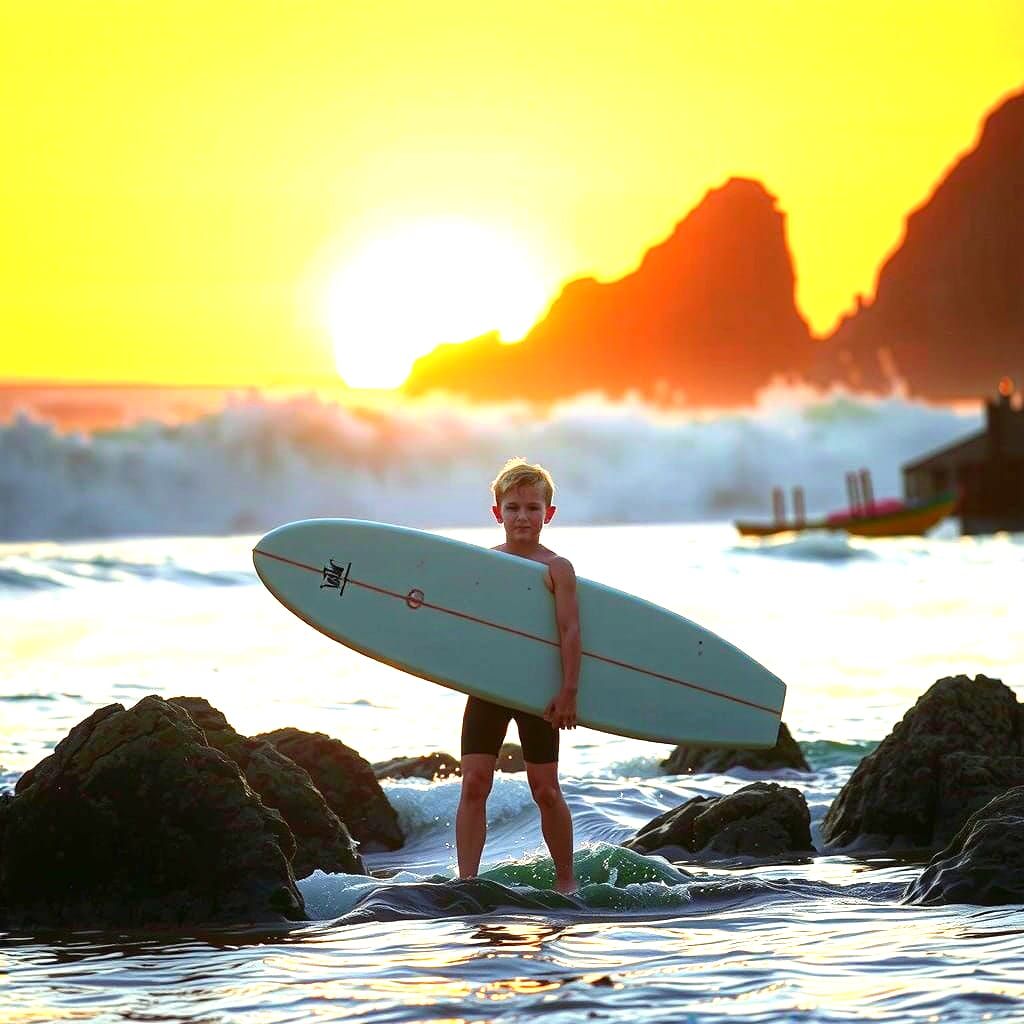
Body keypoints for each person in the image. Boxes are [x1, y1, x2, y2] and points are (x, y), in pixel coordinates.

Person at [455, 457, 581, 893]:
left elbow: (569, 630)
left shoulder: (557, 568)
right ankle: (466, 881)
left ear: (549, 514)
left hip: (537, 693)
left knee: (545, 788)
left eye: (532, 507)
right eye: (512, 508)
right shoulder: (484, 564)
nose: (522, 516)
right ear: (497, 514)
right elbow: (468, 626)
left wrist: (568, 692)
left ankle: (567, 881)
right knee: (474, 782)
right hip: (489, 688)